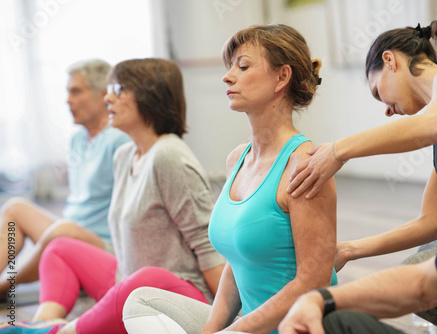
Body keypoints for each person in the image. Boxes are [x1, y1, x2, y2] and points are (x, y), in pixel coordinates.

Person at [121, 24, 338, 334]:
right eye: (230, 66)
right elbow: (235, 266)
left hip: (294, 328)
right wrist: (212, 330)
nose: (228, 76)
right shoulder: (237, 159)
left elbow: (312, 284)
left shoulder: (305, 166)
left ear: (282, 77)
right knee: (139, 300)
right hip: (246, 326)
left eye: (243, 65)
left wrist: (233, 332)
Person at [286, 19, 437, 332]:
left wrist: (337, 151)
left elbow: (432, 126)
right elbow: (430, 223)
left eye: (377, 92)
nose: (386, 109)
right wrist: (350, 250)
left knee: (422, 267)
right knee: (425, 257)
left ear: (390, 60)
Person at [0, 58, 226, 334]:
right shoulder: (125, 155)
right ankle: (42, 323)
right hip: (130, 281)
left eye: (117, 89)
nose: (107, 97)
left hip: (178, 292)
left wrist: (227, 317)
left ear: (148, 96)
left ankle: (59, 333)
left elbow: (207, 245)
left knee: (146, 278)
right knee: (60, 249)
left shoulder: (169, 156)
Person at [0, 59, 130, 295]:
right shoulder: (77, 139)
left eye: (76, 92)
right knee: (14, 208)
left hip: (104, 245)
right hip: (70, 230)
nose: (68, 100)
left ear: (103, 95)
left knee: (64, 231)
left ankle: (5, 287)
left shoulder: (119, 140)